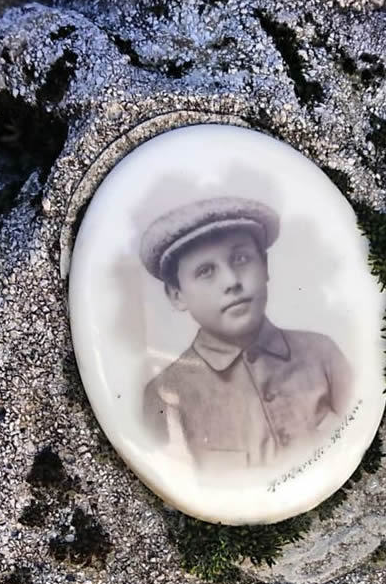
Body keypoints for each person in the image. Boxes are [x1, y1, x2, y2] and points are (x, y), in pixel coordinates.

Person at [140, 196, 352, 468]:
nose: (231, 281)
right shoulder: (165, 395)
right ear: (177, 295)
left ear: (264, 266)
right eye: (206, 271)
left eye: (241, 259)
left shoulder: (322, 354)